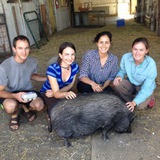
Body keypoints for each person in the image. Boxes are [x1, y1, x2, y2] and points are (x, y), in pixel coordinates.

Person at [0, 35, 46, 131]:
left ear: (29, 48)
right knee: (10, 106)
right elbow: (0, 91)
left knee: (39, 105)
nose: (24, 52)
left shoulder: (33, 61)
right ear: (14, 49)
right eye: (20, 48)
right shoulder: (4, 67)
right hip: (11, 93)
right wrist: (16, 96)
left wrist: (47, 78)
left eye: (26, 48)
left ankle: (25, 106)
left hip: (27, 91)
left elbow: (32, 75)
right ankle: (14, 115)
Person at [40, 42, 79, 131]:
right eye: (67, 54)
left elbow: (70, 85)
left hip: (59, 91)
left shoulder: (75, 67)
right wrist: (62, 94)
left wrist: (63, 93)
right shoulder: (52, 69)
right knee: (57, 109)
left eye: (72, 54)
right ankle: (49, 116)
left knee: (74, 106)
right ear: (60, 55)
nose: (70, 57)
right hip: (48, 92)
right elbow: (56, 93)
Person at [113, 37, 157, 112]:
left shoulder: (151, 65)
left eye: (141, 50)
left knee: (139, 106)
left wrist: (134, 102)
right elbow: (122, 70)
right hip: (132, 82)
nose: (137, 53)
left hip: (144, 86)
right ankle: (135, 98)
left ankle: (149, 97)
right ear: (132, 49)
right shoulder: (126, 57)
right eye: (135, 49)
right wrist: (119, 76)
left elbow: (146, 88)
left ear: (146, 51)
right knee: (118, 84)